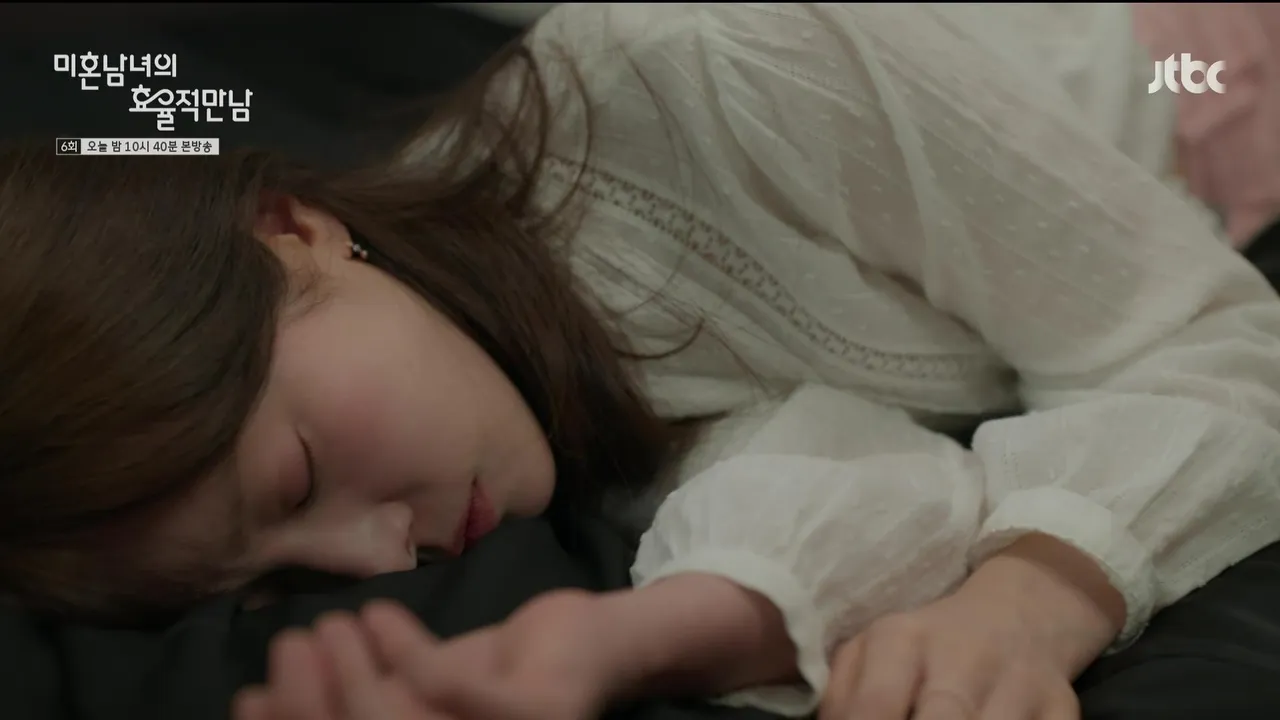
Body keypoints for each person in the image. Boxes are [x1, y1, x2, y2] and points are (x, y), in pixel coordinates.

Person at [5, 3, 1280, 720]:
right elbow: (850, 476)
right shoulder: (505, 379)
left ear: (289, 232)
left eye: (295, 480)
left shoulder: (720, 59)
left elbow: (1214, 342)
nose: (378, 560)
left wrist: (1029, 601)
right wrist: (619, 645)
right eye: (277, 585)